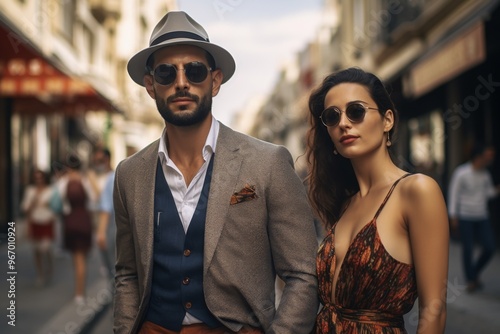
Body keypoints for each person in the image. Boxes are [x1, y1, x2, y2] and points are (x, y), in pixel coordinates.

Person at [113, 10, 318, 334]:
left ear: (215, 80)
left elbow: (302, 274)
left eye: (194, 71)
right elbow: (127, 272)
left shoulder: (268, 163)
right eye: (166, 73)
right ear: (151, 85)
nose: (181, 82)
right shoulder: (129, 174)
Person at [305, 68, 449, 333]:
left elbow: (434, 310)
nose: (343, 123)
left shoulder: (416, 191)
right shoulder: (344, 203)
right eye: (332, 116)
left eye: (356, 111)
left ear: (387, 121)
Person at [448, 143, 499, 292]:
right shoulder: (462, 172)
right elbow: (453, 194)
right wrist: (453, 216)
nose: (491, 159)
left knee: (489, 247)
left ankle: (474, 272)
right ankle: (471, 280)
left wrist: (496, 190)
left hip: (482, 215)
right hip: (465, 216)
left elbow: (488, 193)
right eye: (488, 156)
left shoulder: (485, 174)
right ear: (479, 156)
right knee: (468, 249)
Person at [56, 154, 96, 305]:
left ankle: (78, 291)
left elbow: (60, 203)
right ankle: (80, 292)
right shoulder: (85, 181)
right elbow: (92, 201)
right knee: (82, 259)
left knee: (76, 258)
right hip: (84, 221)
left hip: (70, 222)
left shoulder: (63, 182)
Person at [21, 169, 57, 287]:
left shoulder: (51, 191)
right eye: (36, 178)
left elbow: (56, 208)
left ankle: (50, 267)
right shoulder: (30, 191)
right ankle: (40, 274)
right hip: (35, 222)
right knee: (36, 250)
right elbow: (25, 209)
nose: (38, 180)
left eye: (40, 178)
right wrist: (33, 202)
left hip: (47, 222)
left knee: (45, 248)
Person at [91, 147, 116, 279]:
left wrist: (101, 232)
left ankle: (114, 296)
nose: (97, 163)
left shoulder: (111, 178)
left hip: (110, 226)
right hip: (103, 224)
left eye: (100, 160)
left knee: (111, 264)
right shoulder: (103, 177)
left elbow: (106, 207)